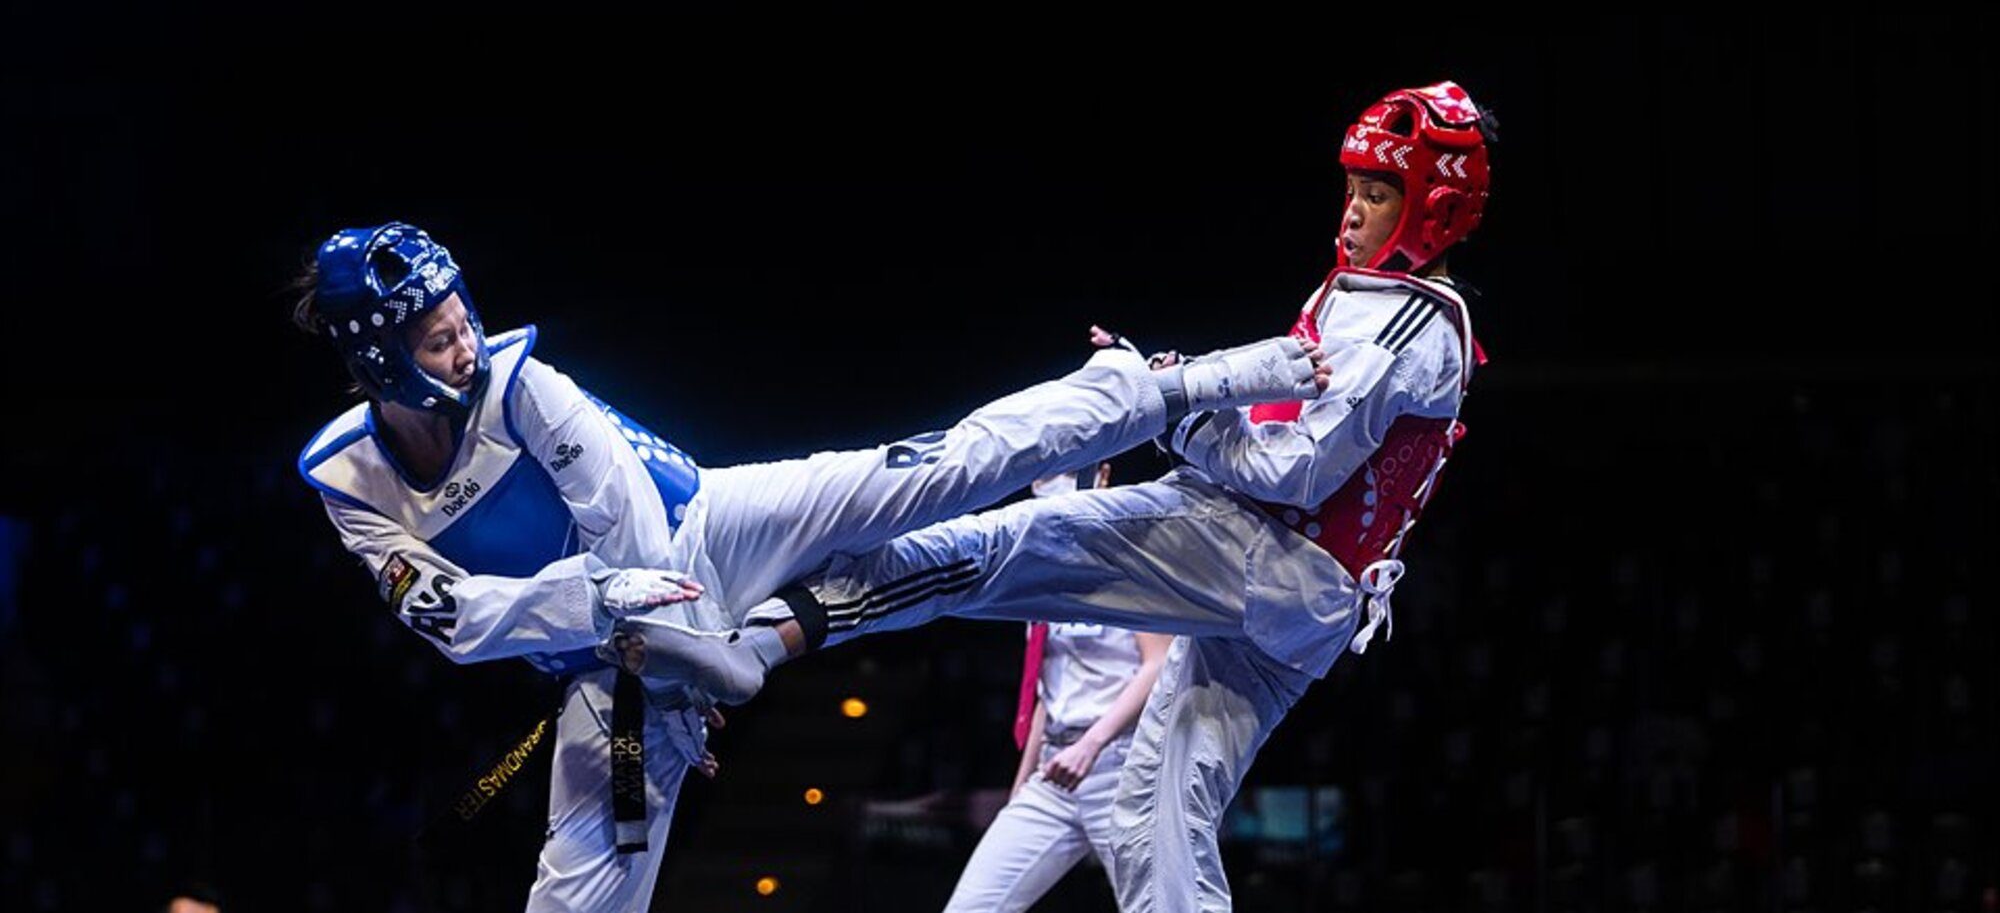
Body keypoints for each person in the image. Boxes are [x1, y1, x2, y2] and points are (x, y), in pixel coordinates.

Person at [290, 223, 1327, 911]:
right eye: (436, 340)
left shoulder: (526, 386)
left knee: (933, 471)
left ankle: (1170, 385)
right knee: (581, 880)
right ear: (381, 360)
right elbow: (455, 619)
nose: (465, 346)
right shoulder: (349, 480)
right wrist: (635, 650)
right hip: (605, 656)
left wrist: (671, 654)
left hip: (712, 534)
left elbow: (639, 539)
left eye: (462, 318)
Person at [765, 80, 1496, 912]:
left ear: (1433, 209)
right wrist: (1173, 382)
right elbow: (1263, 406)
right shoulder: (1353, 296)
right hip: (1291, 595)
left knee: (1014, 549)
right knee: (1153, 817)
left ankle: (776, 629)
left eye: (1378, 194)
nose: (1354, 211)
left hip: (1272, 556)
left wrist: (1169, 410)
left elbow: (1296, 470)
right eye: (1353, 188)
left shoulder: (1414, 324)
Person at [942, 466, 1172, 913]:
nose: (1051, 482)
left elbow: (1158, 665)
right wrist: (1020, 786)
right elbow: (1048, 692)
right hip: (1054, 769)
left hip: (1123, 767)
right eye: (1043, 473)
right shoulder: (1040, 576)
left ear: (1102, 474)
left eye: (1066, 470)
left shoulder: (1132, 562)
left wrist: (1091, 746)